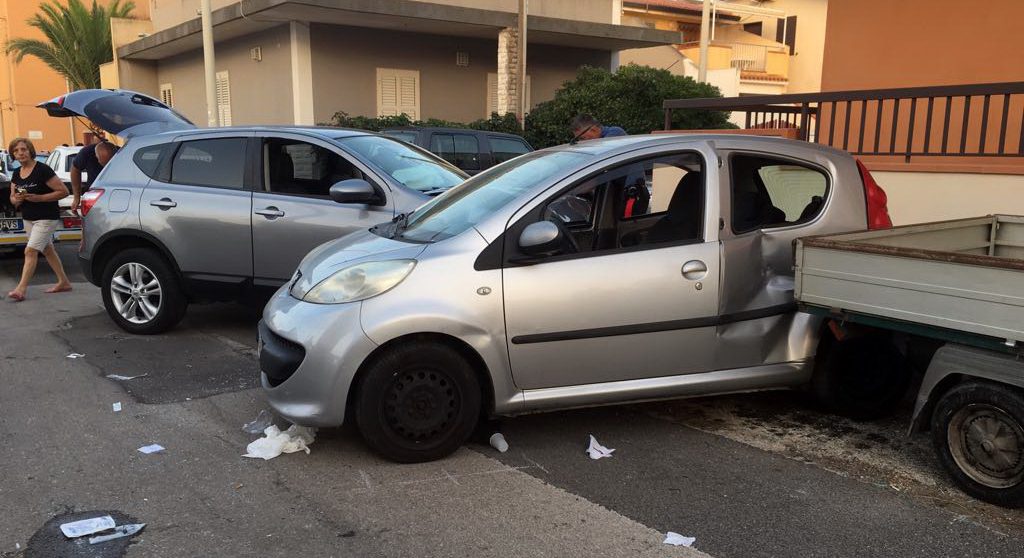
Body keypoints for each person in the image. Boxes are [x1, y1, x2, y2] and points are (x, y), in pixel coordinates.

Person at [6, 137, 72, 302]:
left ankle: (21, 289)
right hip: (28, 218)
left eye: (23, 149)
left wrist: (40, 198)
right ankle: (64, 282)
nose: (20, 153)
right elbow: (12, 198)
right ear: (13, 154)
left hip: (47, 217)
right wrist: (18, 200)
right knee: (47, 249)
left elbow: (63, 191)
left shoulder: (43, 170)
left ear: (30, 151)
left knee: (30, 251)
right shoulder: (16, 173)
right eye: (16, 151)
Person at [70, 141, 116, 213]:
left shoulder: (122, 152)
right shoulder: (87, 153)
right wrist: (76, 197)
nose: (105, 167)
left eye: (108, 164)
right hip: (94, 193)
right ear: (96, 156)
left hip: (114, 194)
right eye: (103, 164)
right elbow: (75, 169)